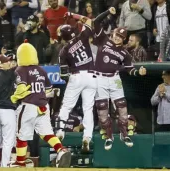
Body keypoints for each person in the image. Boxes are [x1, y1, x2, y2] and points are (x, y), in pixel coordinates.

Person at [55, 8, 116, 152]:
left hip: (77, 75)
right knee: (88, 108)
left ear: (63, 37)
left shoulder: (63, 50)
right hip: (91, 75)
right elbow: (94, 21)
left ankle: (60, 131)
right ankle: (87, 137)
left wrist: (71, 82)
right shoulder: (82, 36)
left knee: (66, 106)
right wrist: (107, 11)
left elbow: (63, 75)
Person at [9, 40, 71, 167]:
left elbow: (20, 89)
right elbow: (49, 91)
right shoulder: (42, 70)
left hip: (28, 105)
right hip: (43, 106)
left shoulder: (19, 70)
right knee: (47, 133)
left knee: (21, 136)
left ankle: (20, 162)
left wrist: (13, 97)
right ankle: (61, 150)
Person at [91, 9, 147, 150]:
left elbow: (130, 69)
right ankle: (109, 137)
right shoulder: (103, 40)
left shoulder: (124, 53)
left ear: (124, 39)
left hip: (115, 79)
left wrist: (138, 72)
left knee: (122, 107)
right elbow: (96, 21)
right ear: (113, 34)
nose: (117, 38)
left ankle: (124, 134)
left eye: (121, 37)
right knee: (102, 110)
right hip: (100, 79)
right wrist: (107, 12)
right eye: (116, 35)